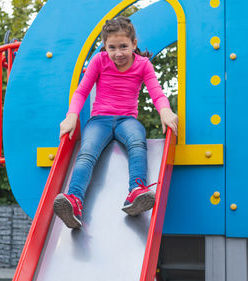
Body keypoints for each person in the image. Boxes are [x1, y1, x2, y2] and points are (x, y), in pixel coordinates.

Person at [53, 16, 178, 229]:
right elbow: (82, 91)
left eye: (123, 46)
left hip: (127, 120)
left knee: (137, 143)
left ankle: (136, 191)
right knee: (87, 152)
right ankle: (74, 200)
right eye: (112, 47)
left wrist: (165, 111)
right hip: (99, 120)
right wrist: (72, 115)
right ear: (104, 46)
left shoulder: (143, 65)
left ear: (134, 44)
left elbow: (156, 93)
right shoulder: (99, 61)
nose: (118, 53)